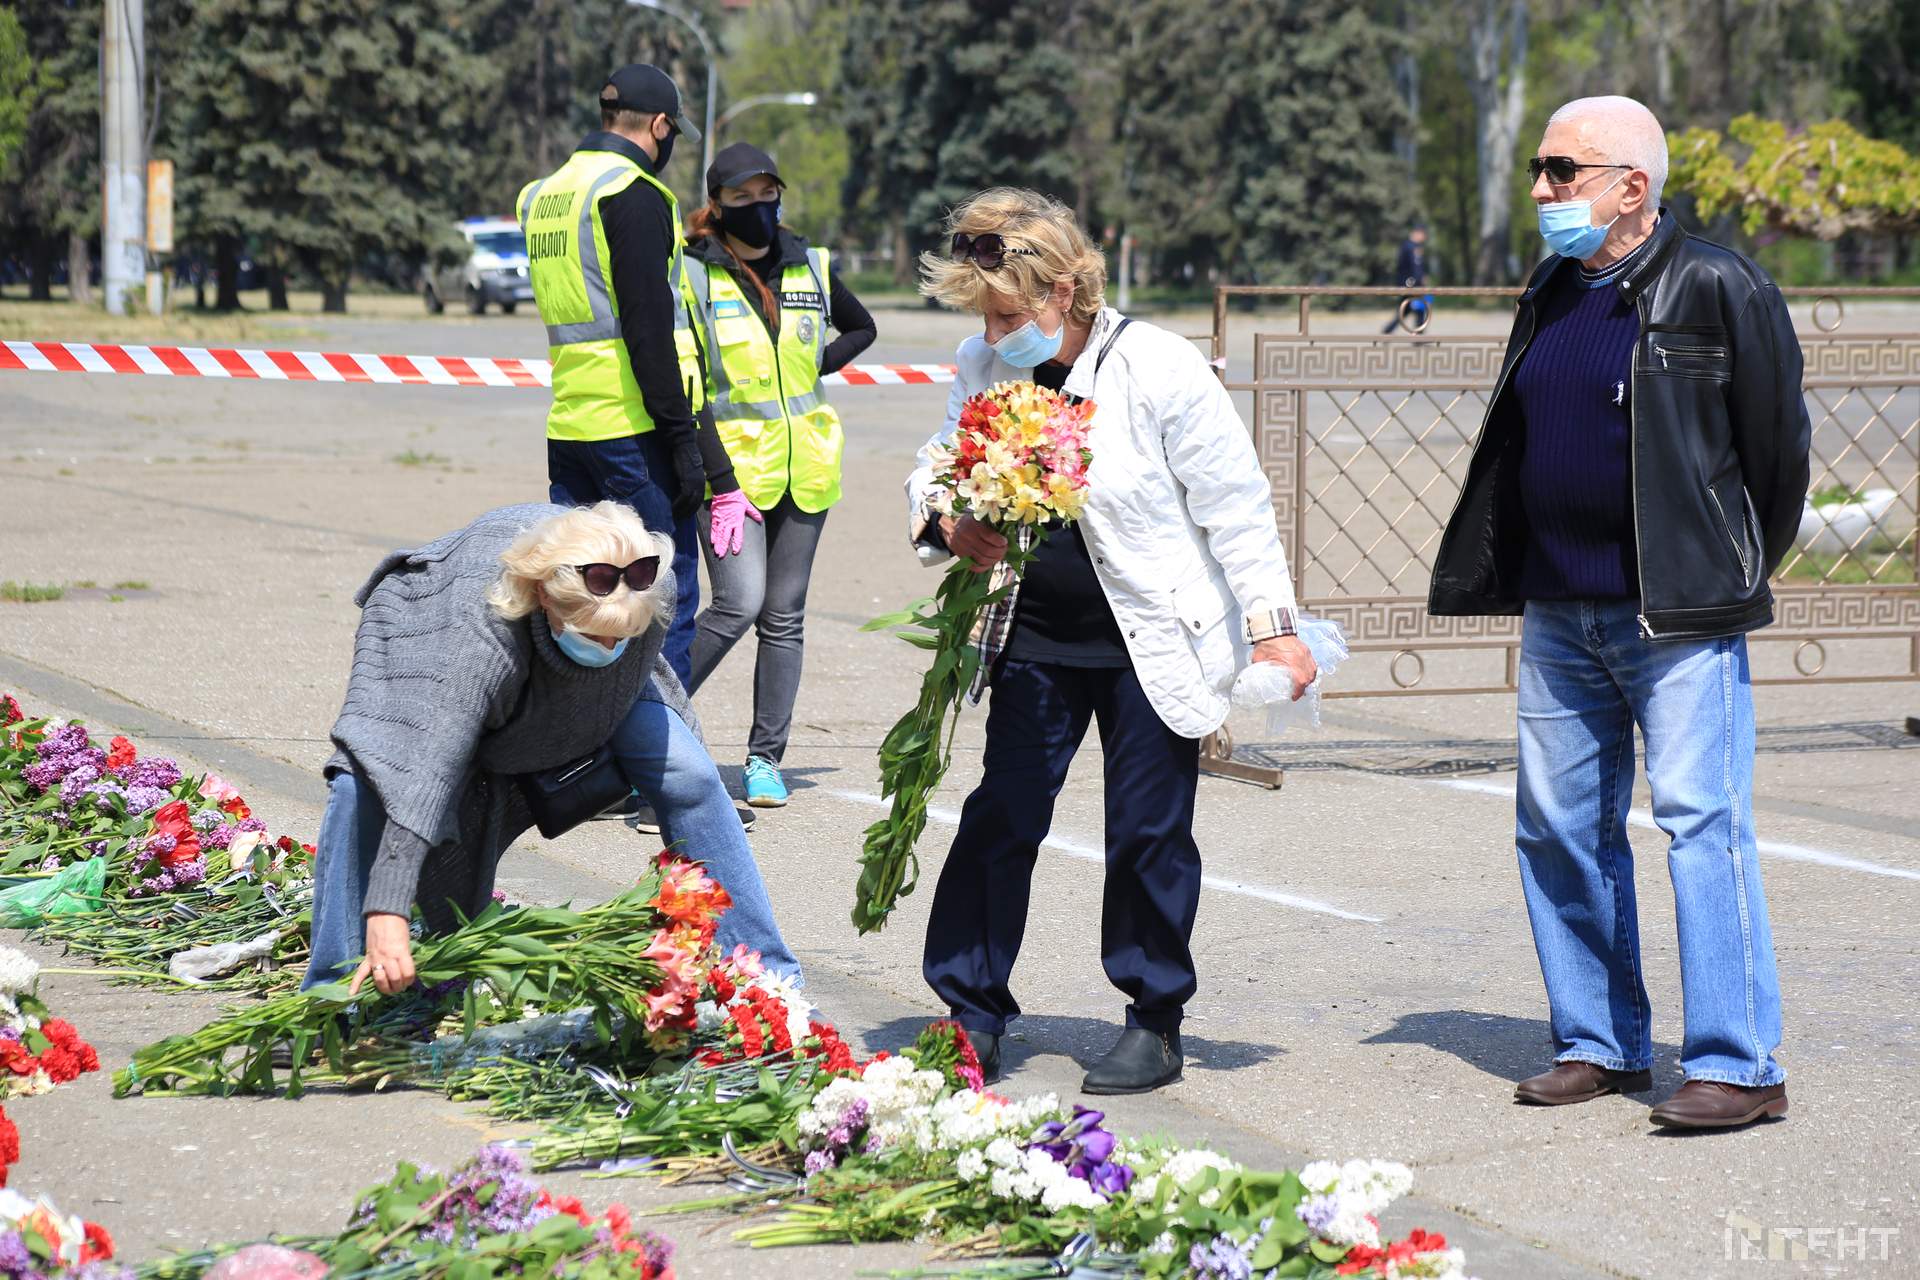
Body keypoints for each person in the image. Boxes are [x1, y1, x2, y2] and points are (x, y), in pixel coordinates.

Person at [1428, 96, 1809, 1130]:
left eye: (1562, 170)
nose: (1543, 190)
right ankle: (1600, 1040)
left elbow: (1776, 461)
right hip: (1560, 611)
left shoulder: (1718, 283)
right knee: (1557, 827)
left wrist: (1721, 570)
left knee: (1702, 827)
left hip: (1675, 618)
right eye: (1543, 172)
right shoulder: (1553, 285)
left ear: (1631, 187)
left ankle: (1739, 1061)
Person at [907, 188, 1317, 1095]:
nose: (993, 327)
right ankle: (971, 1008)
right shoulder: (983, 363)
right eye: (984, 311)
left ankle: (1154, 1016)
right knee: (1000, 817)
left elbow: (1237, 509)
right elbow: (938, 464)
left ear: (1063, 289)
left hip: (1152, 643)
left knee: (1148, 834)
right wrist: (943, 519)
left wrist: (1274, 633)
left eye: (1008, 310)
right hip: (1033, 637)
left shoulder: (1161, 368)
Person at [302, 501, 799, 997]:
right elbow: (426, 771)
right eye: (592, 635)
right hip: (438, 645)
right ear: (543, 596)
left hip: (591, 685)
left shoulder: (647, 585)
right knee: (364, 782)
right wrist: (386, 911)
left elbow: (625, 670)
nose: (607, 650)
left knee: (688, 775)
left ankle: (765, 977)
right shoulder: (474, 637)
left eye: (619, 638)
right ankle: (332, 994)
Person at [518, 64, 736, 687]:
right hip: (633, 432)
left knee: (580, 604)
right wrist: (681, 442)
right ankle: (649, 771)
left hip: (571, 425)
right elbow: (647, 333)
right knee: (660, 604)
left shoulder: (546, 195)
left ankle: (574, 754)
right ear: (661, 125)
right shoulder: (632, 193)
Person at [681, 143, 877, 808]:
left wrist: (815, 366)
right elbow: (689, 386)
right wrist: (717, 477)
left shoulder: (809, 264)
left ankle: (766, 760)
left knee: (784, 617)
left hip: (806, 466)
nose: (759, 207)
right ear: (718, 203)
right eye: (742, 196)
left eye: (768, 193)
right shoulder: (694, 274)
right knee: (737, 604)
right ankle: (639, 726)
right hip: (729, 474)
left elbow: (862, 327)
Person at [1382, 223, 1430, 333]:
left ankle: (1387, 331)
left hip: (1407, 284)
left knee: (1406, 310)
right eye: (1423, 234)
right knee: (1418, 310)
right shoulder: (1411, 247)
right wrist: (1419, 282)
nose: (1424, 237)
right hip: (1411, 285)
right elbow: (1415, 269)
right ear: (1417, 233)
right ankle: (1418, 336)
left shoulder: (1408, 246)